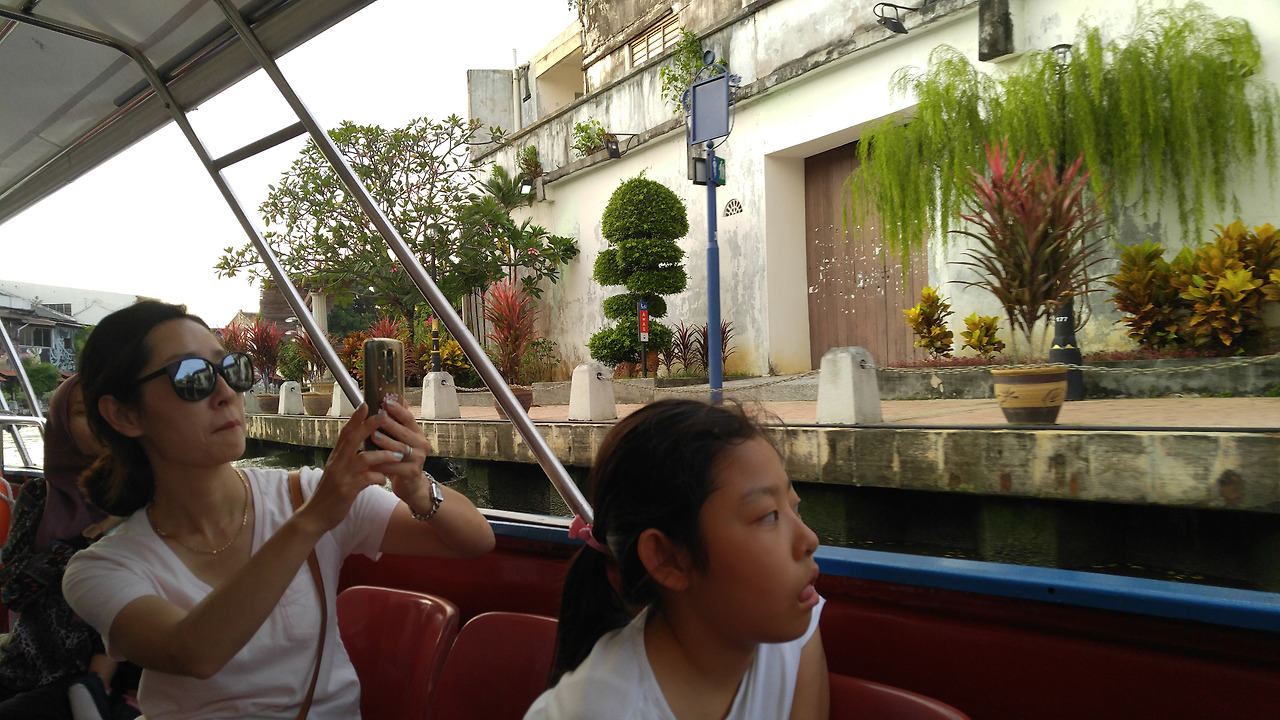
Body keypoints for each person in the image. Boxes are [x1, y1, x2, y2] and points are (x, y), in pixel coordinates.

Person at [62, 301, 495, 719]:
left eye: (230, 369)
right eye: (191, 377)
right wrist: (313, 520)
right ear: (124, 414)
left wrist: (416, 487)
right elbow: (193, 652)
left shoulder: (303, 493)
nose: (226, 392)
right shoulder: (102, 568)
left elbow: (474, 540)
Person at [524, 399, 828, 720]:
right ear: (668, 560)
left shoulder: (794, 635)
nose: (810, 540)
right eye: (768, 516)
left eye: (795, 507)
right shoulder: (596, 710)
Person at [0, 374, 138, 720]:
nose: (97, 422)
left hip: (105, 674)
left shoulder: (143, 495)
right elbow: (13, 589)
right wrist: (88, 536)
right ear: (61, 424)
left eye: (105, 411)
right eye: (81, 412)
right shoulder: (36, 497)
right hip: (28, 660)